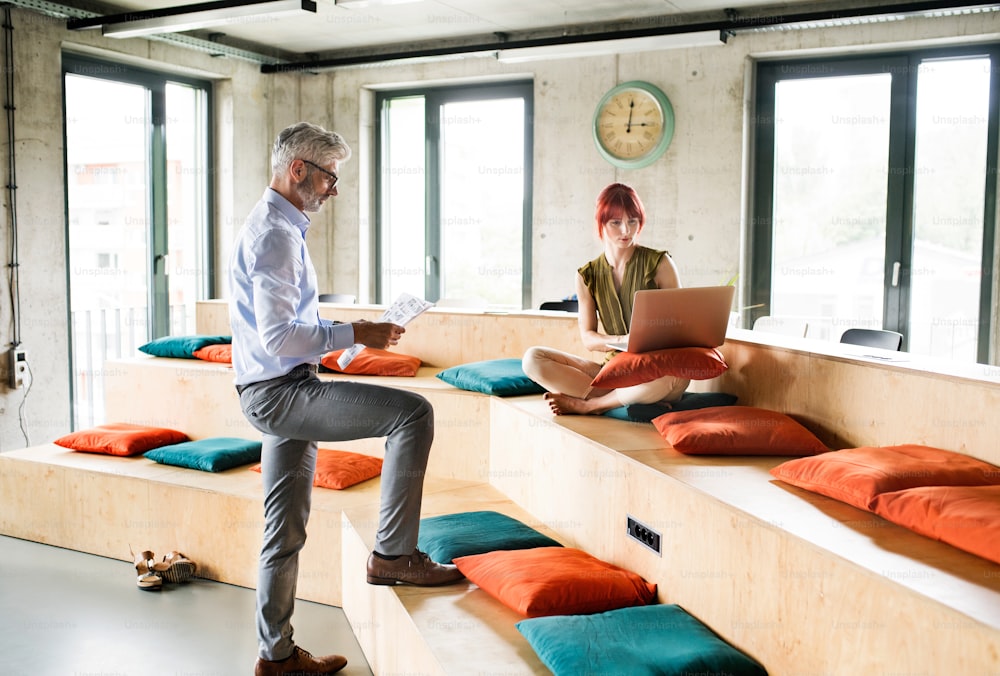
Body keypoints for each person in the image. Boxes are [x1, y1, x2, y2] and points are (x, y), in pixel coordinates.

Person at [229, 122, 464, 676]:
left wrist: (346, 341)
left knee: (282, 529)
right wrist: (357, 332)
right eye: (331, 177)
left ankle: (276, 657)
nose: (335, 189)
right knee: (413, 413)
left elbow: (291, 330)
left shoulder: (283, 226)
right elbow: (278, 338)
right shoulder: (275, 235)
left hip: (281, 386)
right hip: (281, 393)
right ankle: (393, 556)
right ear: (299, 170)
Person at [523, 183, 689, 416]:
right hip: (615, 370)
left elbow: (681, 328)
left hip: (658, 370)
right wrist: (624, 340)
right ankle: (627, 399)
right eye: (616, 222)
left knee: (673, 375)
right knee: (533, 359)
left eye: (633, 221)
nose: (626, 230)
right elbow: (588, 338)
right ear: (601, 223)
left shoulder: (660, 264)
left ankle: (592, 405)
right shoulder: (586, 275)